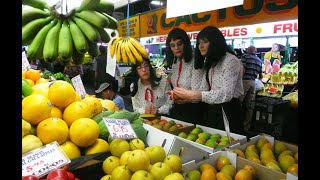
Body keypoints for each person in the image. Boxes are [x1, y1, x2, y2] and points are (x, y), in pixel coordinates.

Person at [172, 26, 244, 134]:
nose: (200, 46)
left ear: (215, 42)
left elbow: (226, 94)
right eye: (199, 43)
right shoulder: (211, 62)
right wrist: (186, 98)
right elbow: (203, 88)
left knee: (229, 143)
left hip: (228, 110)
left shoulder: (231, 61)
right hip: (212, 110)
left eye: (204, 42)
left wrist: (196, 95)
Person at [164, 27, 207, 125]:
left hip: (194, 110)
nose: (176, 48)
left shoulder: (196, 61)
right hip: (178, 107)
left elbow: (198, 91)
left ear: (185, 44)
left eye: (179, 44)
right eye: (172, 45)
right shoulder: (175, 62)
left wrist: (184, 98)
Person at [239, 45, 263, 132]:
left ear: (247, 51)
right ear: (255, 51)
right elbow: (261, 76)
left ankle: (236, 125)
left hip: (244, 82)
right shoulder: (259, 60)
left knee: (239, 103)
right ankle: (246, 127)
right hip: (253, 83)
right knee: (250, 106)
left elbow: (242, 70)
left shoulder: (245, 57)